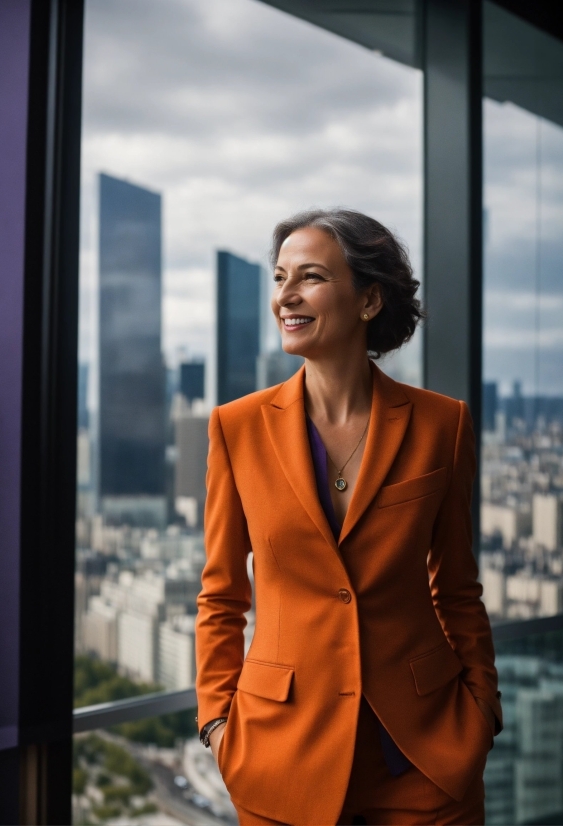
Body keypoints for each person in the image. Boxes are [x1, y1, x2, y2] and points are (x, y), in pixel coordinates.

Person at [195, 208, 502, 826]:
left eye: (309, 277)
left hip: (425, 756)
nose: (285, 295)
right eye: (279, 277)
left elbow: (458, 586)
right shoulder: (237, 428)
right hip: (282, 756)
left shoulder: (444, 424)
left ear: (368, 301)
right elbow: (221, 593)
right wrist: (216, 726)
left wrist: (483, 710)